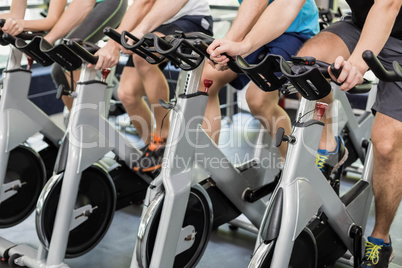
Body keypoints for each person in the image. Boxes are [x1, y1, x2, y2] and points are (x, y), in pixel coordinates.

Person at [210, 0, 402, 267]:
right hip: (360, 26)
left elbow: (388, 5)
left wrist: (357, 63)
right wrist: (245, 44)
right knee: (303, 69)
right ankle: (331, 145)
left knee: (386, 145)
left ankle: (380, 240)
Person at [93, 0, 213, 173]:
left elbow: (146, 3)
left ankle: (164, 135)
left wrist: (116, 45)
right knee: (127, 94)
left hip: (191, 19)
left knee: (142, 57)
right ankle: (153, 145)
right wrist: (114, 43)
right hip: (159, 23)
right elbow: (139, 4)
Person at [199, 0, 319, 164]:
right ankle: (210, 167)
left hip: (294, 29)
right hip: (256, 29)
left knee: (258, 100)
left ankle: (290, 166)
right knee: (207, 80)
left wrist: (225, 46)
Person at [1, 0, 128, 112]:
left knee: (67, 57)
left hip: (107, 3)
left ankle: (88, 121)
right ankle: (77, 126)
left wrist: (45, 38)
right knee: (58, 70)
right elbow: (15, 15)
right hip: (81, 4)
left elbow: (52, 19)